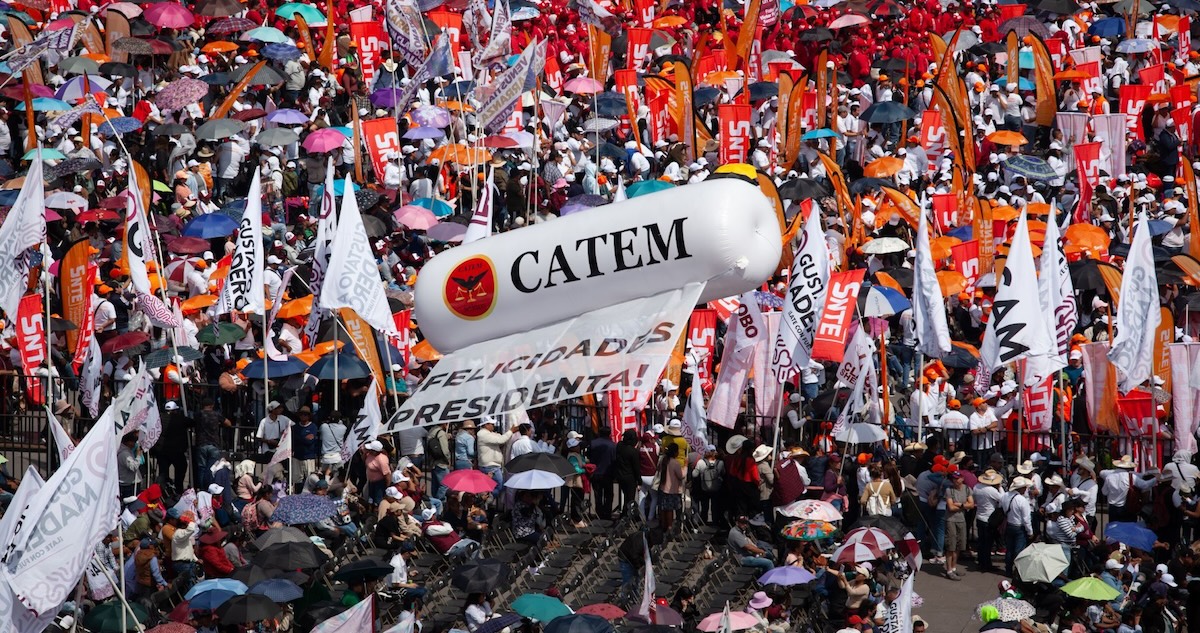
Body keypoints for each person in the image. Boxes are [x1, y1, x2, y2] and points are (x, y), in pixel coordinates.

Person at [943, 470, 974, 580]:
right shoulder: (949, 490)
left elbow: (972, 504)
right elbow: (950, 507)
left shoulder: (967, 489)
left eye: (958, 478)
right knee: (950, 546)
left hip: (961, 520)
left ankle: (954, 567)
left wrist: (959, 504)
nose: (956, 480)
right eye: (954, 478)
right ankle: (949, 570)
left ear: (962, 479)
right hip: (951, 520)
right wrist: (964, 505)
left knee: (959, 545)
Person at [1002, 477, 1034, 577]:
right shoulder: (1022, 500)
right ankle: (1018, 572)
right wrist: (1030, 532)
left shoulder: (1005, 496)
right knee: (1019, 551)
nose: (1025, 489)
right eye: (1024, 487)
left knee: (1009, 549)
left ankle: (1008, 569)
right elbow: (1026, 519)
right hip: (1019, 528)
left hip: (1009, 525)